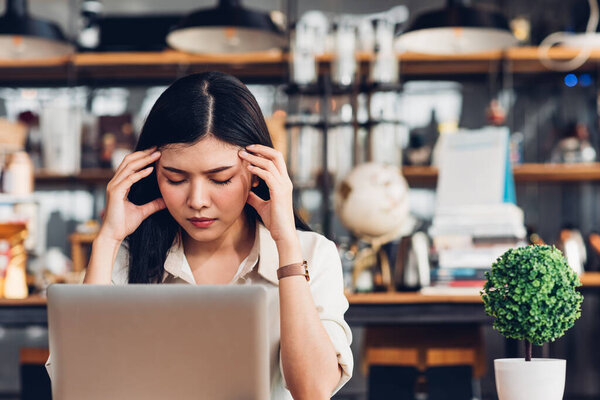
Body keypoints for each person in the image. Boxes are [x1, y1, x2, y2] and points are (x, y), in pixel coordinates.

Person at [75, 71, 353, 399]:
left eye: (220, 179)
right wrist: (107, 240)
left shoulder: (312, 254)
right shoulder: (125, 256)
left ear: (257, 174)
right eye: (176, 179)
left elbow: (312, 390)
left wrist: (286, 244)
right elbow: (82, 386)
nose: (197, 201)